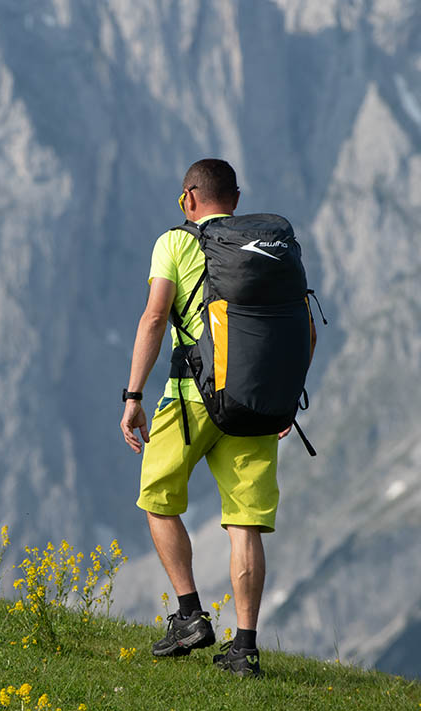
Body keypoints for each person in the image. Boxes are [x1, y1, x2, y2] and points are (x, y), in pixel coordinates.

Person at [120, 158, 308, 678]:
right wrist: (284, 398)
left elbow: (156, 316)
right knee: (244, 523)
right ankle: (244, 650)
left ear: (188, 198)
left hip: (190, 398)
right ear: (237, 199)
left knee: (157, 498)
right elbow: (305, 331)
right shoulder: (271, 249)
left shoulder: (175, 243)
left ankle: (189, 616)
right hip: (255, 401)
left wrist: (133, 394)